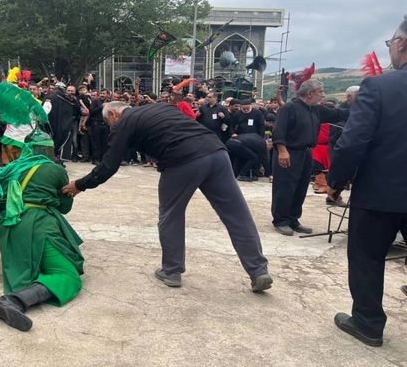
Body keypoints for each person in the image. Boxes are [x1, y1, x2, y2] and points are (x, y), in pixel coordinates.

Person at [62, 101, 272, 292]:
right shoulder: (162, 107)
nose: (110, 128)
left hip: (181, 160)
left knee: (171, 215)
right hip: (216, 152)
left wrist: (80, 185)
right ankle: (258, 271)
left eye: (108, 122)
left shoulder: (124, 123)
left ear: (115, 115)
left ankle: (172, 271)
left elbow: (108, 166)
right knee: (237, 214)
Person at [327, 18, 407, 347]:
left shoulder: (380, 87)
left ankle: (368, 323)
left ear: (401, 44)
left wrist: (336, 181)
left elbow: (352, 142)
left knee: (366, 259)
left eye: (390, 45)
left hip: (380, 195)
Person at [0, 129, 84, 332]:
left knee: (32, 267)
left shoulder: (8, 170)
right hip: (38, 225)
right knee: (67, 275)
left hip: (8, 230)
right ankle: (13, 301)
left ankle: (15, 297)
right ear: (49, 149)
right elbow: (64, 207)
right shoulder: (54, 169)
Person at [270, 79, 348, 236]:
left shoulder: (317, 110)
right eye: (320, 91)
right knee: (285, 187)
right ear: (310, 93)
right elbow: (279, 131)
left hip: (306, 153)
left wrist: (354, 104)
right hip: (289, 152)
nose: (323, 95)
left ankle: (293, 219)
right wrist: (282, 150)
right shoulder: (289, 108)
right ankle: (281, 220)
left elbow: (338, 114)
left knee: (300, 187)